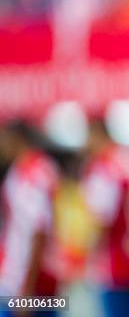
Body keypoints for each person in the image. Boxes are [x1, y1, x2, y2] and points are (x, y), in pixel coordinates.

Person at [80, 119, 129, 317]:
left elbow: (102, 220)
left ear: (97, 135)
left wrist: (88, 254)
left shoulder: (104, 166)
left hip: (114, 261)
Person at [0, 121, 61, 317]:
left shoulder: (28, 174)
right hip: (46, 275)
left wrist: (26, 290)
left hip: (24, 280)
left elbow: (38, 231)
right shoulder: (44, 166)